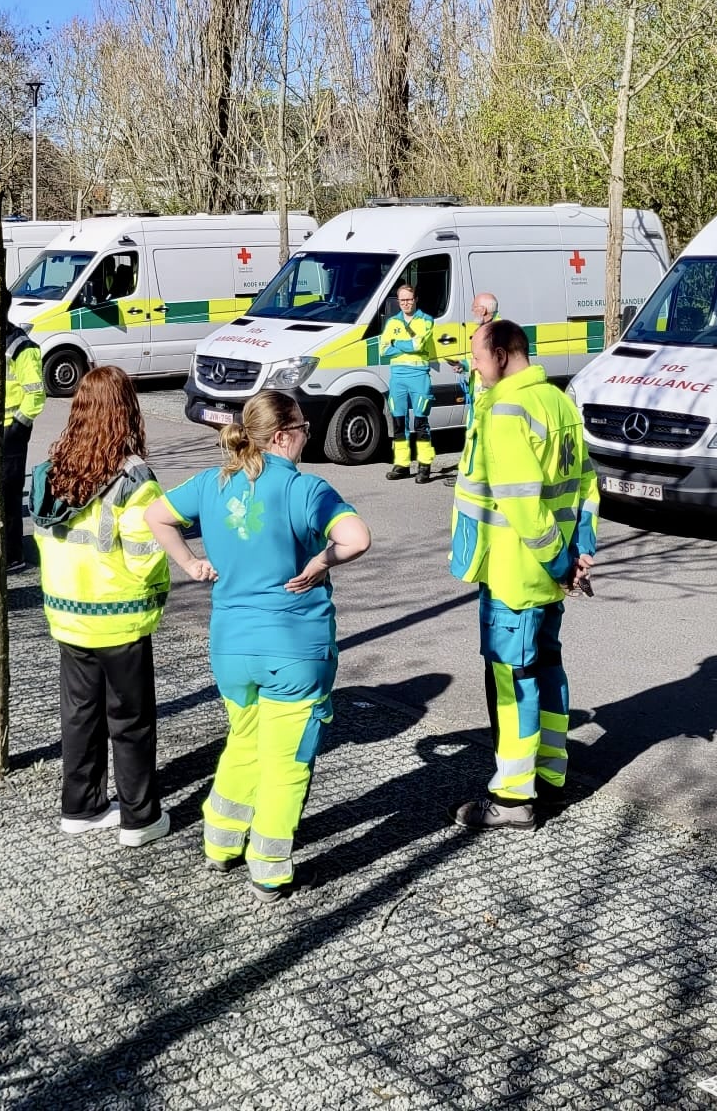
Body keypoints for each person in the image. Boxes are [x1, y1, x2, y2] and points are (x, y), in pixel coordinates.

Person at [147, 391, 370, 898]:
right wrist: (320, 562)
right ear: (287, 435)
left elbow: (155, 517)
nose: (307, 440)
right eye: (307, 432)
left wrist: (190, 564)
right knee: (287, 761)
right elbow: (355, 539)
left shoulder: (212, 482)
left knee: (244, 742)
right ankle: (270, 869)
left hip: (231, 647)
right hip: (293, 648)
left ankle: (221, 843)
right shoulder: (306, 489)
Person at [447, 318, 599, 832]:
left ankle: (512, 799)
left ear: (506, 354)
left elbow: (522, 505)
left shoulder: (506, 411)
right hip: (551, 577)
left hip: (516, 572)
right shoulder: (558, 401)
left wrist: (558, 560)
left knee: (511, 684)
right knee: (548, 670)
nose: (473, 364)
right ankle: (551, 777)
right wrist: (579, 554)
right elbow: (586, 485)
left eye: (478, 355)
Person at [33, 366, 173, 846]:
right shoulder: (135, 478)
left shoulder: (54, 469)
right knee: (130, 722)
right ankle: (139, 818)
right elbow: (144, 556)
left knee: (79, 716)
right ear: (128, 410)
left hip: (68, 614)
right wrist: (158, 589)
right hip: (120, 617)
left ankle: (82, 807)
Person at [380, 282, 441, 483]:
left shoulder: (426, 320)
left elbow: (418, 344)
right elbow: (383, 350)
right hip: (397, 378)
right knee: (398, 423)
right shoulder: (392, 322)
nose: (405, 303)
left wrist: (396, 343)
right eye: (402, 300)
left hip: (419, 376)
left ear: (416, 299)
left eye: (409, 299)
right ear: (398, 301)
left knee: (421, 422)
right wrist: (404, 346)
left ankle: (424, 466)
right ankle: (402, 464)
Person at [2, 319, 48, 569]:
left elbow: (35, 394)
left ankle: (12, 554)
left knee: (9, 494)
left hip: (11, 430)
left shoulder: (21, 347)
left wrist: (17, 427)